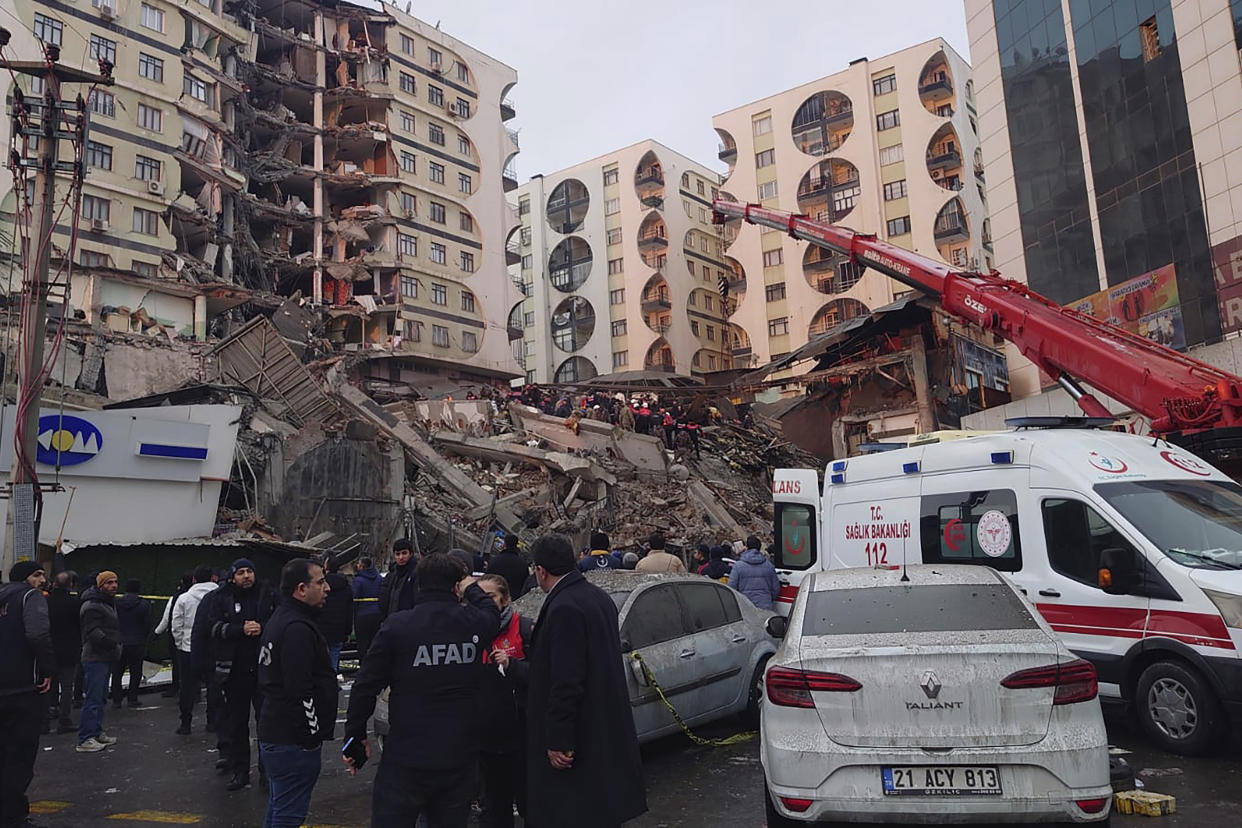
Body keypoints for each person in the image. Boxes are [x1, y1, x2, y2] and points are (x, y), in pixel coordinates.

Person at [344, 553, 501, 827]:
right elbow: (491, 611)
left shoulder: (398, 626)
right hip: (457, 756)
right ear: (456, 587)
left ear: (418, 585)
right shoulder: (472, 623)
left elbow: (365, 685)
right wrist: (470, 584)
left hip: (407, 755)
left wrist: (355, 736)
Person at [524, 534, 646, 828]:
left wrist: (558, 739)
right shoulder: (597, 597)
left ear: (541, 571)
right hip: (602, 725)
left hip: (581, 734)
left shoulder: (564, 607)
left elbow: (566, 680)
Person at [257, 558, 336, 828]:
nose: (327, 588)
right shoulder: (296, 629)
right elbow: (299, 690)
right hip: (291, 740)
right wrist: (311, 736)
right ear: (301, 589)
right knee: (289, 814)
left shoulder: (283, 619)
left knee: (280, 807)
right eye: (321, 582)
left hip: (278, 733)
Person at [203, 559, 277, 791]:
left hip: (264, 669)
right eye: (241, 573)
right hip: (233, 672)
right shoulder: (220, 597)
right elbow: (212, 628)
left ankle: (267, 773)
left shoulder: (267, 594)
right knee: (236, 725)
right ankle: (240, 772)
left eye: (249, 571)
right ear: (233, 576)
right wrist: (240, 630)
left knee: (266, 724)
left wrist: (262, 627)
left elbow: (279, 621)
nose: (246, 576)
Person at [476, 574, 533, 828]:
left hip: (522, 734)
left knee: (531, 803)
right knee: (494, 809)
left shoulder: (525, 628)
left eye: (489, 598)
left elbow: (543, 674)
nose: (484, 605)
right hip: (487, 740)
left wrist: (513, 666)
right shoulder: (471, 633)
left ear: (506, 599)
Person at [0, 561, 54, 828]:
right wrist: (47, 669)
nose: (42, 580)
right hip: (23, 688)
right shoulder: (30, 597)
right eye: (37, 575)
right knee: (19, 756)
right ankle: (13, 816)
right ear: (25, 579)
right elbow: (37, 633)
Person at [171, 566, 219, 736]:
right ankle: (212, 722)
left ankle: (185, 723)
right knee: (214, 685)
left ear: (194, 580)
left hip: (188, 648)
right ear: (214, 578)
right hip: (214, 648)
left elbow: (176, 623)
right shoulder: (220, 596)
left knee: (188, 686)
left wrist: (180, 643)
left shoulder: (184, 598)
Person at [77, 570, 121, 753]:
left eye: (115, 582)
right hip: (95, 656)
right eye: (109, 582)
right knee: (93, 698)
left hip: (105, 656)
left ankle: (96, 732)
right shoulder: (93, 605)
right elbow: (92, 631)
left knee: (101, 696)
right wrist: (110, 644)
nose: (114, 585)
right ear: (100, 585)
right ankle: (85, 738)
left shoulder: (107, 603)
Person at [47, 571, 80, 734]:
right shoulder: (74, 603)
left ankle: (45, 720)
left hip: (49, 649)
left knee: (47, 685)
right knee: (67, 688)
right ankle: (64, 720)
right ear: (71, 585)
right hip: (69, 650)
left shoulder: (46, 601)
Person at [111, 579, 150, 708]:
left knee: (117, 672)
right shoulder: (144, 604)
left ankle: (117, 700)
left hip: (120, 641)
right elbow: (147, 625)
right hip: (137, 642)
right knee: (136, 671)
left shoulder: (116, 603)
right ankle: (132, 698)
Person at [154, 572, 193, 698]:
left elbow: (167, 619)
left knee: (177, 664)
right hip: (194, 636)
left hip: (176, 636)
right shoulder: (199, 597)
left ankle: (176, 688)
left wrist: (157, 632)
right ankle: (194, 691)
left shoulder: (176, 598)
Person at [728, 535, 781, 611]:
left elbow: (732, 587)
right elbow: (775, 589)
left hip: (745, 607)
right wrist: (768, 598)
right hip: (765, 605)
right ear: (759, 548)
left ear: (746, 547)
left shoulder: (738, 566)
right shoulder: (769, 566)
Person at [319, 558, 352, 676]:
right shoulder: (346, 586)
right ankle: (332, 680)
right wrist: (347, 631)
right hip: (339, 627)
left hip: (322, 626)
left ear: (326, 567)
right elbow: (349, 610)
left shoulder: (320, 585)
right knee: (334, 654)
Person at [351, 557, 382, 659]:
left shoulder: (358, 580)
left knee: (362, 643)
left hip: (362, 615)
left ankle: (363, 667)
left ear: (362, 566)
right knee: (375, 642)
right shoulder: (379, 578)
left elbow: (354, 598)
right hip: (377, 614)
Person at [378, 538, 415, 620]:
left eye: (404, 553)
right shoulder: (391, 576)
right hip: (391, 621)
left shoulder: (416, 575)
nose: (401, 557)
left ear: (411, 554)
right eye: (397, 554)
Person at [487, 533, 529, 600]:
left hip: (494, 597)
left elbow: (487, 578)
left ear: (504, 544)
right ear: (516, 545)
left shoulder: (495, 560)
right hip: (512, 600)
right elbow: (525, 584)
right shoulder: (523, 564)